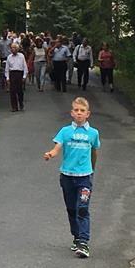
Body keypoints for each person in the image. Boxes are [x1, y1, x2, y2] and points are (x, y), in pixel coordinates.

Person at [43, 97, 101, 259]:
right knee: (71, 209)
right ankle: (76, 236)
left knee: (82, 208)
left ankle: (84, 242)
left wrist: (91, 170)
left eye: (82, 111)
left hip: (84, 177)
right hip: (67, 176)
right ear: (72, 113)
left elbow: (94, 152)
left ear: (88, 114)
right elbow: (57, 147)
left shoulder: (93, 133)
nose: (79, 113)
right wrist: (51, 154)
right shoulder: (65, 131)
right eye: (76, 110)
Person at [3, 43, 26, 112]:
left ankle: (21, 103)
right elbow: (7, 69)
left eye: (15, 48)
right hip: (12, 74)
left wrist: (24, 76)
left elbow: (25, 67)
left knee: (20, 90)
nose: (13, 49)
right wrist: (7, 78)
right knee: (12, 91)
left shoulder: (21, 56)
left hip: (19, 73)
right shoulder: (9, 57)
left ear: (17, 49)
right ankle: (14, 107)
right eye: (12, 48)